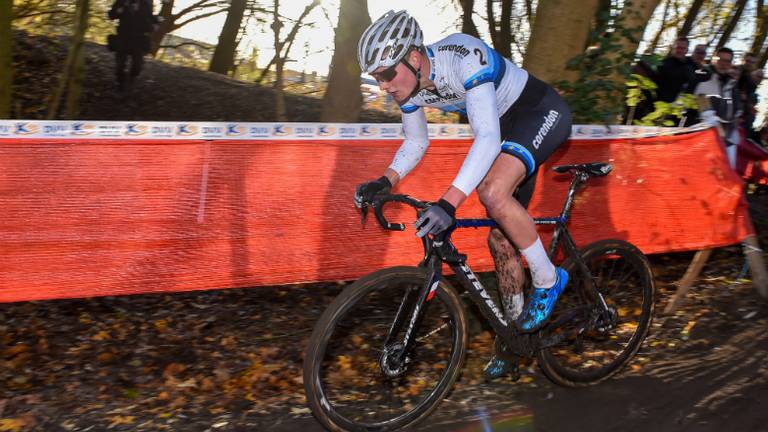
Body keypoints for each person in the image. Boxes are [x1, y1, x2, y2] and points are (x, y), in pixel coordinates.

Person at [353, 10, 572, 380]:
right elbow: (416, 140)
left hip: (539, 112)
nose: (383, 86)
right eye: (377, 78)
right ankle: (515, 337)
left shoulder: (462, 55)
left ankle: (549, 279)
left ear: (415, 56)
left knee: (491, 191)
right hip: (508, 134)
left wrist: (449, 202)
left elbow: (486, 139)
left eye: (387, 74)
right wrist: (385, 181)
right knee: (501, 240)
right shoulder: (412, 88)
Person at [694, 47, 741, 168]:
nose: (724, 64)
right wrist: (719, 133)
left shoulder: (732, 85)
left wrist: (732, 131)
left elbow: (735, 112)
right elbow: (703, 105)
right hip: (702, 136)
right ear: (714, 59)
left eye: (728, 61)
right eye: (720, 59)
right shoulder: (703, 76)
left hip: (724, 138)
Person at [108, 0, 156, 92]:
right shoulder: (122, 1)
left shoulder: (146, 3)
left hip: (139, 39)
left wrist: (155, 22)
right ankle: (120, 85)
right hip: (123, 37)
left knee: (137, 66)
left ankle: (130, 81)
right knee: (120, 66)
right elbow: (111, 15)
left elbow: (149, 18)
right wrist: (119, 10)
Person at [654, 36, 698, 103]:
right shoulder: (663, 64)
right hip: (662, 104)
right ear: (673, 48)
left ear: (687, 50)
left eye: (683, 48)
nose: (679, 50)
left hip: (683, 105)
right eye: (678, 47)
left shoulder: (692, 65)